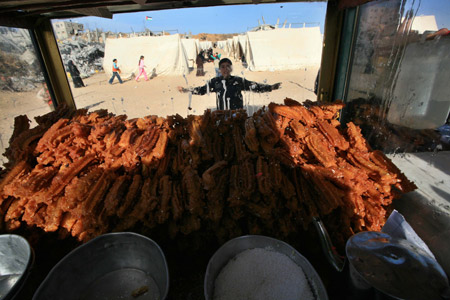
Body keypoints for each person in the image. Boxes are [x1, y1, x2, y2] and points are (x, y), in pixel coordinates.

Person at [178, 58, 281, 110]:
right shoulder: (215, 82)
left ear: (231, 68)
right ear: (219, 69)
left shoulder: (238, 81)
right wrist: (186, 90)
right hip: (222, 114)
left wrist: (270, 87)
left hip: (238, 114)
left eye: (228, 66)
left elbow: (254, 86)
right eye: (222, 66)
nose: (225, 69)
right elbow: (202, 90)